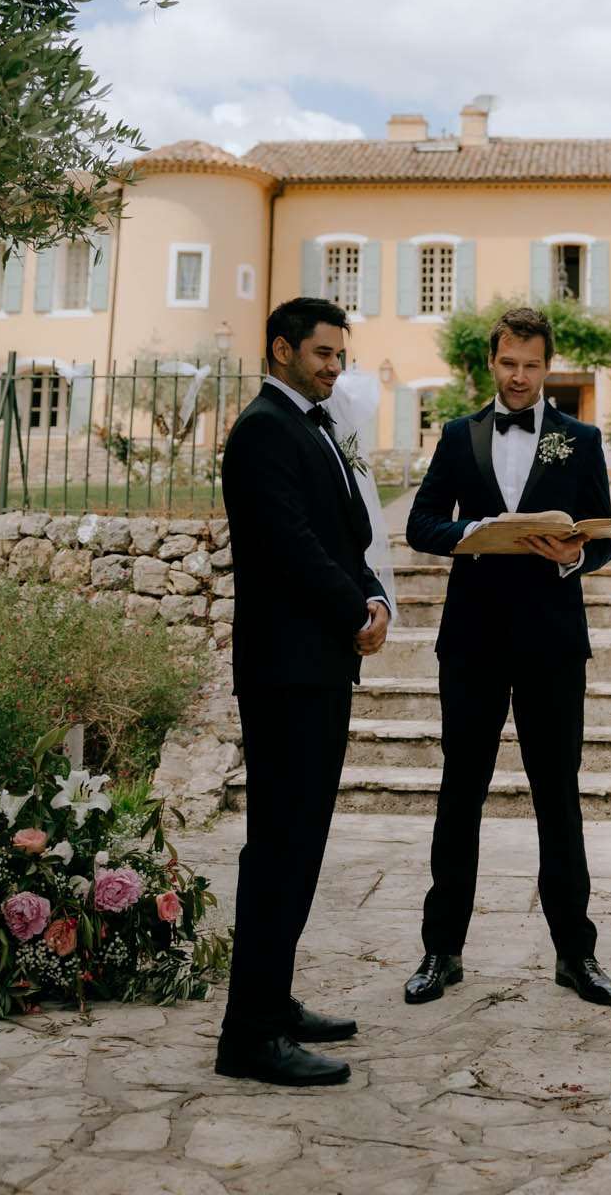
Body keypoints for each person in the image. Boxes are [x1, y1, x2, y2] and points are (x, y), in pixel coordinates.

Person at [402, 306, 611, 1008]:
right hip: (470, 641)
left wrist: (577, 552)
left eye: (531, 365)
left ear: (546, 366)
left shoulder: (578, 439)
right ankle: (441, 951)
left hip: (553, 643)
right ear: (490, 364)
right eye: (508, 364)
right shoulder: (458, 436)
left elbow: (605, 536)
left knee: (557, 796)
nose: (519, 377)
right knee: (458, 793)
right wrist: (477, 531)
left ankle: (575, 955)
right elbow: (421, 524)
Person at [215, 297, 392, 1088]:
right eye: (322, 354)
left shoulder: (311, 426)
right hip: (285, 669)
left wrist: (374, 595)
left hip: (319, 664)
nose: (334, 368)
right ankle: (248, 1034)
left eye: (339, 356)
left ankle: (273, 1003)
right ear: (281, 349)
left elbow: (342, 534)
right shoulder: (261, 430)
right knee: (278, 847)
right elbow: (286, 544)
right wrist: (353, 606)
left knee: (302, 844)